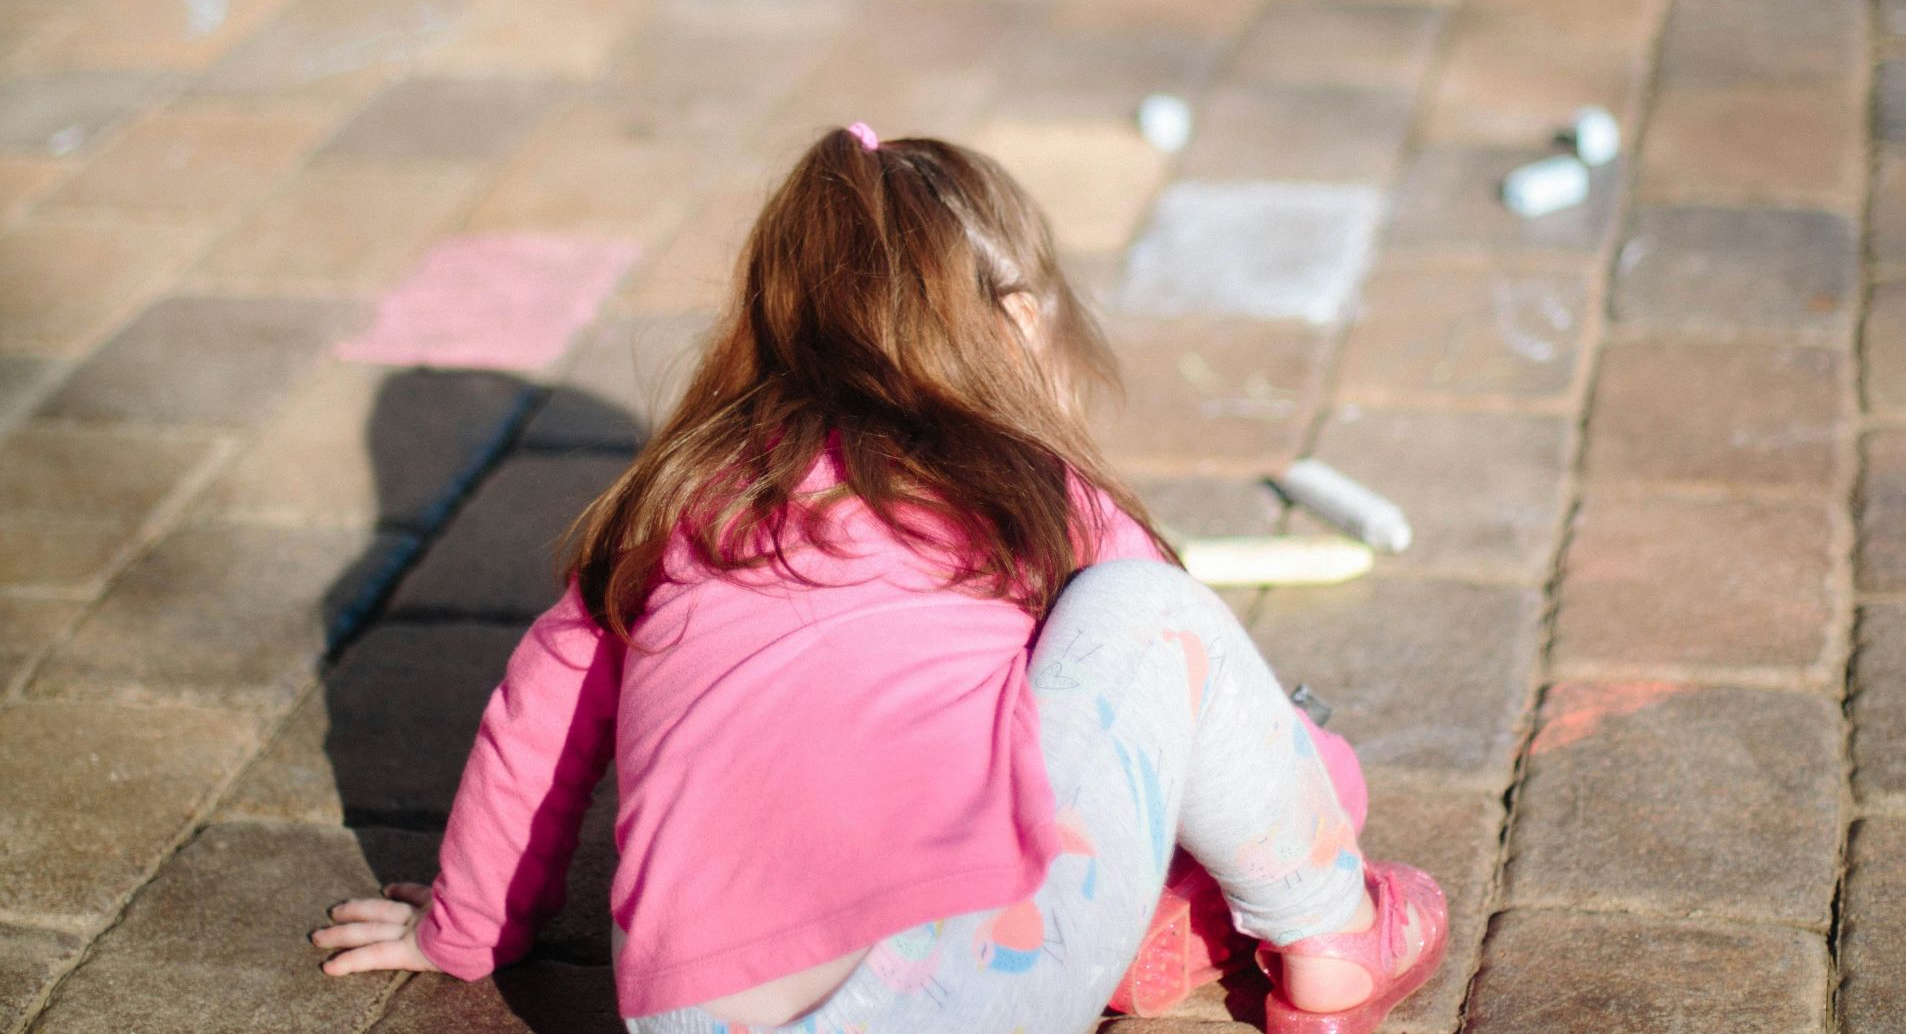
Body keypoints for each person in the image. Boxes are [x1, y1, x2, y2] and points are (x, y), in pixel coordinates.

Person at [308, 123, 1447, 1034]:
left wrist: (465, 931)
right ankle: (1334, 933)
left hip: (691, 1012)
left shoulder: (678, 499)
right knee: (1146, 618)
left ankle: (1149, 911)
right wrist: (1319, 809)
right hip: (958, 989)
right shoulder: (1032, 487)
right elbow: (1190, 701)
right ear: (1019, 322)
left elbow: (534, 724)